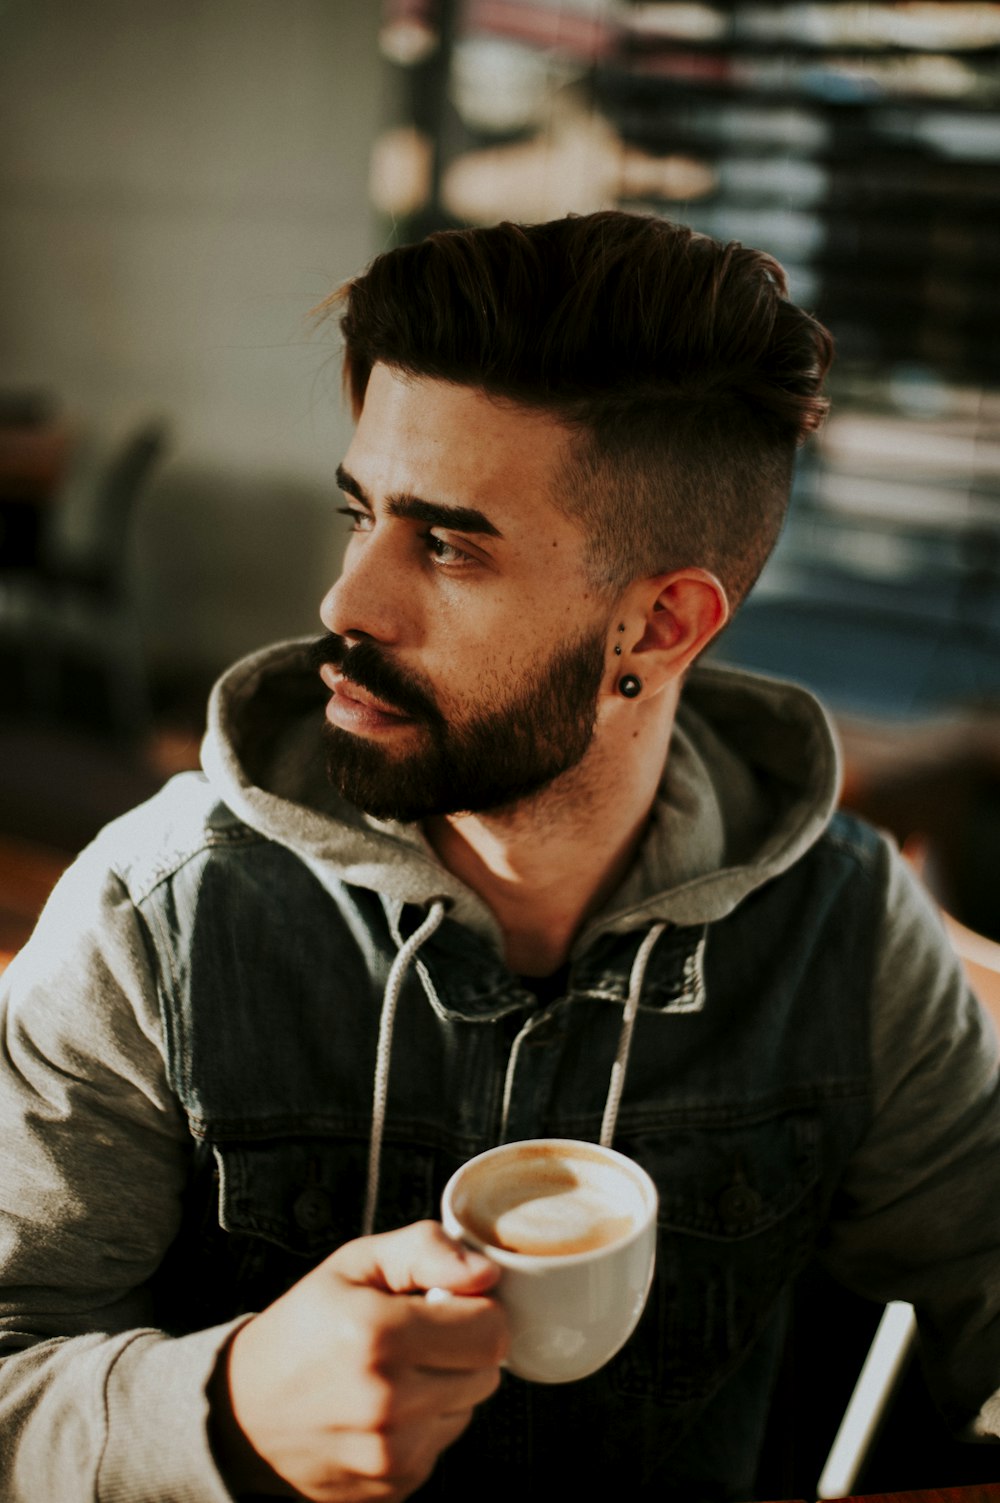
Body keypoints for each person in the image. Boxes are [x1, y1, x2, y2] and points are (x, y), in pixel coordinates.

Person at [1, 211, 998, 1503]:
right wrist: (228, 1404)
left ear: (662, 620)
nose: (346, 603)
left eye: (449, 543)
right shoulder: (154, 919)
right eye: (361, 513)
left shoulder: (850, 938)